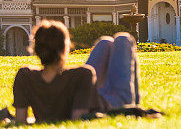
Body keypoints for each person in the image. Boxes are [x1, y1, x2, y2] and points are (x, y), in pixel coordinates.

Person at [12, 20, 141, 124]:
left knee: (105, 43)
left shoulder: (25, 75)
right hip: (112, 104)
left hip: (90, 95)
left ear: (35, 50)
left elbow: (20, 120)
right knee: (123, 39)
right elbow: (78, 118)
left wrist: (42, 119)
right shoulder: (82, 74)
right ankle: (134, 101)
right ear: (65, 49)